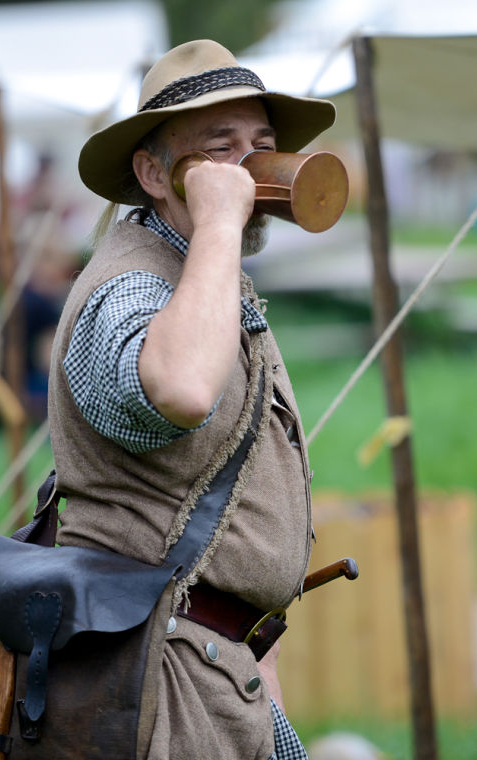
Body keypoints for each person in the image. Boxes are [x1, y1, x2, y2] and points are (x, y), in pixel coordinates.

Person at [48, 39, 336, 759]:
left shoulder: (206, 272)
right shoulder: (131, 283)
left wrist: (255, 641)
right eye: (222, 149)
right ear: (153, 173)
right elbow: (178, 389)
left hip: (215, 668)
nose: (253, 168)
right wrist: (218, 222)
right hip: (152, 686)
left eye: (262, 146)